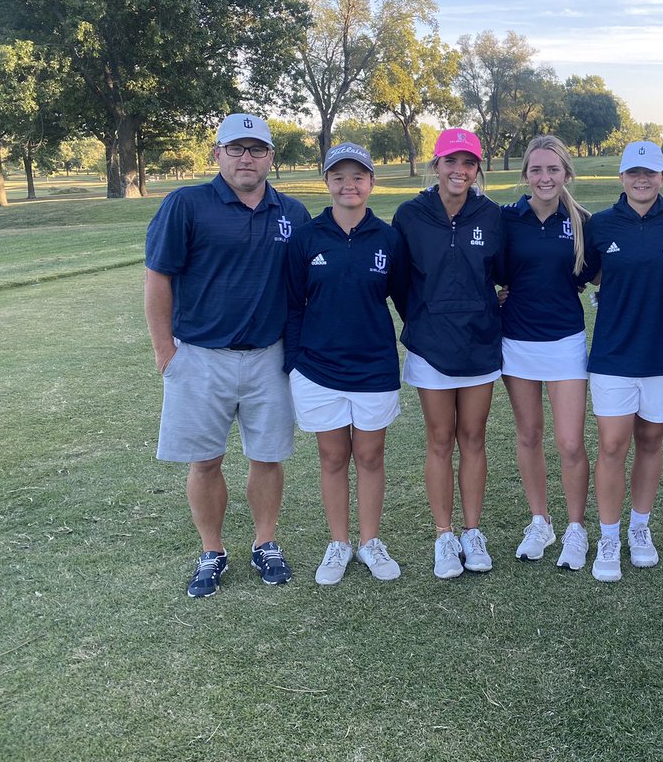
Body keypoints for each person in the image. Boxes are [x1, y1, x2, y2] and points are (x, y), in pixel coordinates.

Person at [145, 114, 311, 598]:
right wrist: (165, 352)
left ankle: (265, 543)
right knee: (205, 461)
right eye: (235, 149)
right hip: (201, 356)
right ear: (216, 154)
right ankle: (212, 550)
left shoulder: (293, 213)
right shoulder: (186, 204)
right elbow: (159, 277)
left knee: (268, 457)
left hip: (269, 356)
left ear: (270, 158)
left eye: (256, 149)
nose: (246, 158)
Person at [284, 143, 404, 586]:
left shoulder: (389, 239)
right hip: (317, 367)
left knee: (370, 457)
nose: (348, 185)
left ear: (372, 182)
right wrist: (295, 361)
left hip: (374, 365)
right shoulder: (306, 237)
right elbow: (293, 304)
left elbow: (406, 298)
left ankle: (370, 541)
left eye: (358, 176)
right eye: (339, 176)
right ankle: (339, 542)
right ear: (327, 182)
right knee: (333, 457)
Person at [583, 140, 663, 582]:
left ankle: (639, 527)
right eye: (634, 172)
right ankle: (609, 535)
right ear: (621, 177)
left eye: (650, 173)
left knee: (651, 442)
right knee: (613, 445)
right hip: (613, 353)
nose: (642, 179)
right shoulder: (601, 224)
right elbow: (588, 272)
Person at [393, 128, 503, 579]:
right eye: (451, 162)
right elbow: (399, 282)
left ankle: (472, 532)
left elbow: (502, 276)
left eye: (469, 163)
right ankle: (444, 534)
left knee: (473, 438)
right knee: (440, 440)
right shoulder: (410, 214)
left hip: (478, 343)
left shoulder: (492, 215)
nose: (460, 171)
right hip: (431, 345)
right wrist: (423, 316)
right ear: (435, 164)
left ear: (478, 169)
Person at [499, 136, 593, 569]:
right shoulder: (505, 219)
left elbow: (593, 276)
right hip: (516, 341)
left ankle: (576, 528)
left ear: (566, 174)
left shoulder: (583, 223)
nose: (544, 177)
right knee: (528, 435)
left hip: (565, 342)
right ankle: (540, 520)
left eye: (553, 169)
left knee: (571, 442)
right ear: (525, 175)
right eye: (536, 169)